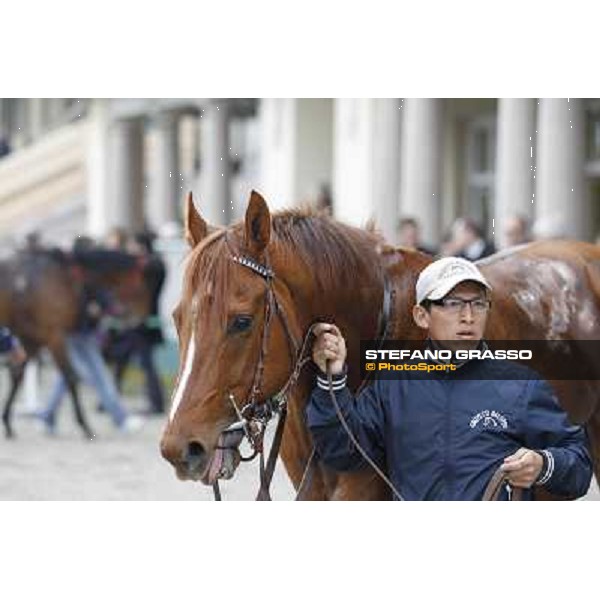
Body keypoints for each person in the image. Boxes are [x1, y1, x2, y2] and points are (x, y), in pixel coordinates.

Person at [307, 257, 592, 500]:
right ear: (421, 316)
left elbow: (578, 465)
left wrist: (544, 464)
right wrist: (331, 379)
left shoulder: (521, 384)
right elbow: (342, 451)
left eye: (478, 304)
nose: (468, 316)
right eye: (453, 303)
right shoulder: (394, 383)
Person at [37, 273, 143, 435]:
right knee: (99, 377)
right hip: (78, 337)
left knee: (66, 378)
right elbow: (107, 305)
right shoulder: (87, 281)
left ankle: (47, 416)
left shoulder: (74, 279)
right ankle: (120, 418)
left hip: (76, 336)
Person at [103, 230, 166, 414]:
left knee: (142, 364)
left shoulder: (151, 266)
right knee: (125, 362)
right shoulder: (146, 266)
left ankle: (155, 403)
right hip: (136, 322)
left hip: (141, 323)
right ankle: (109, 400)